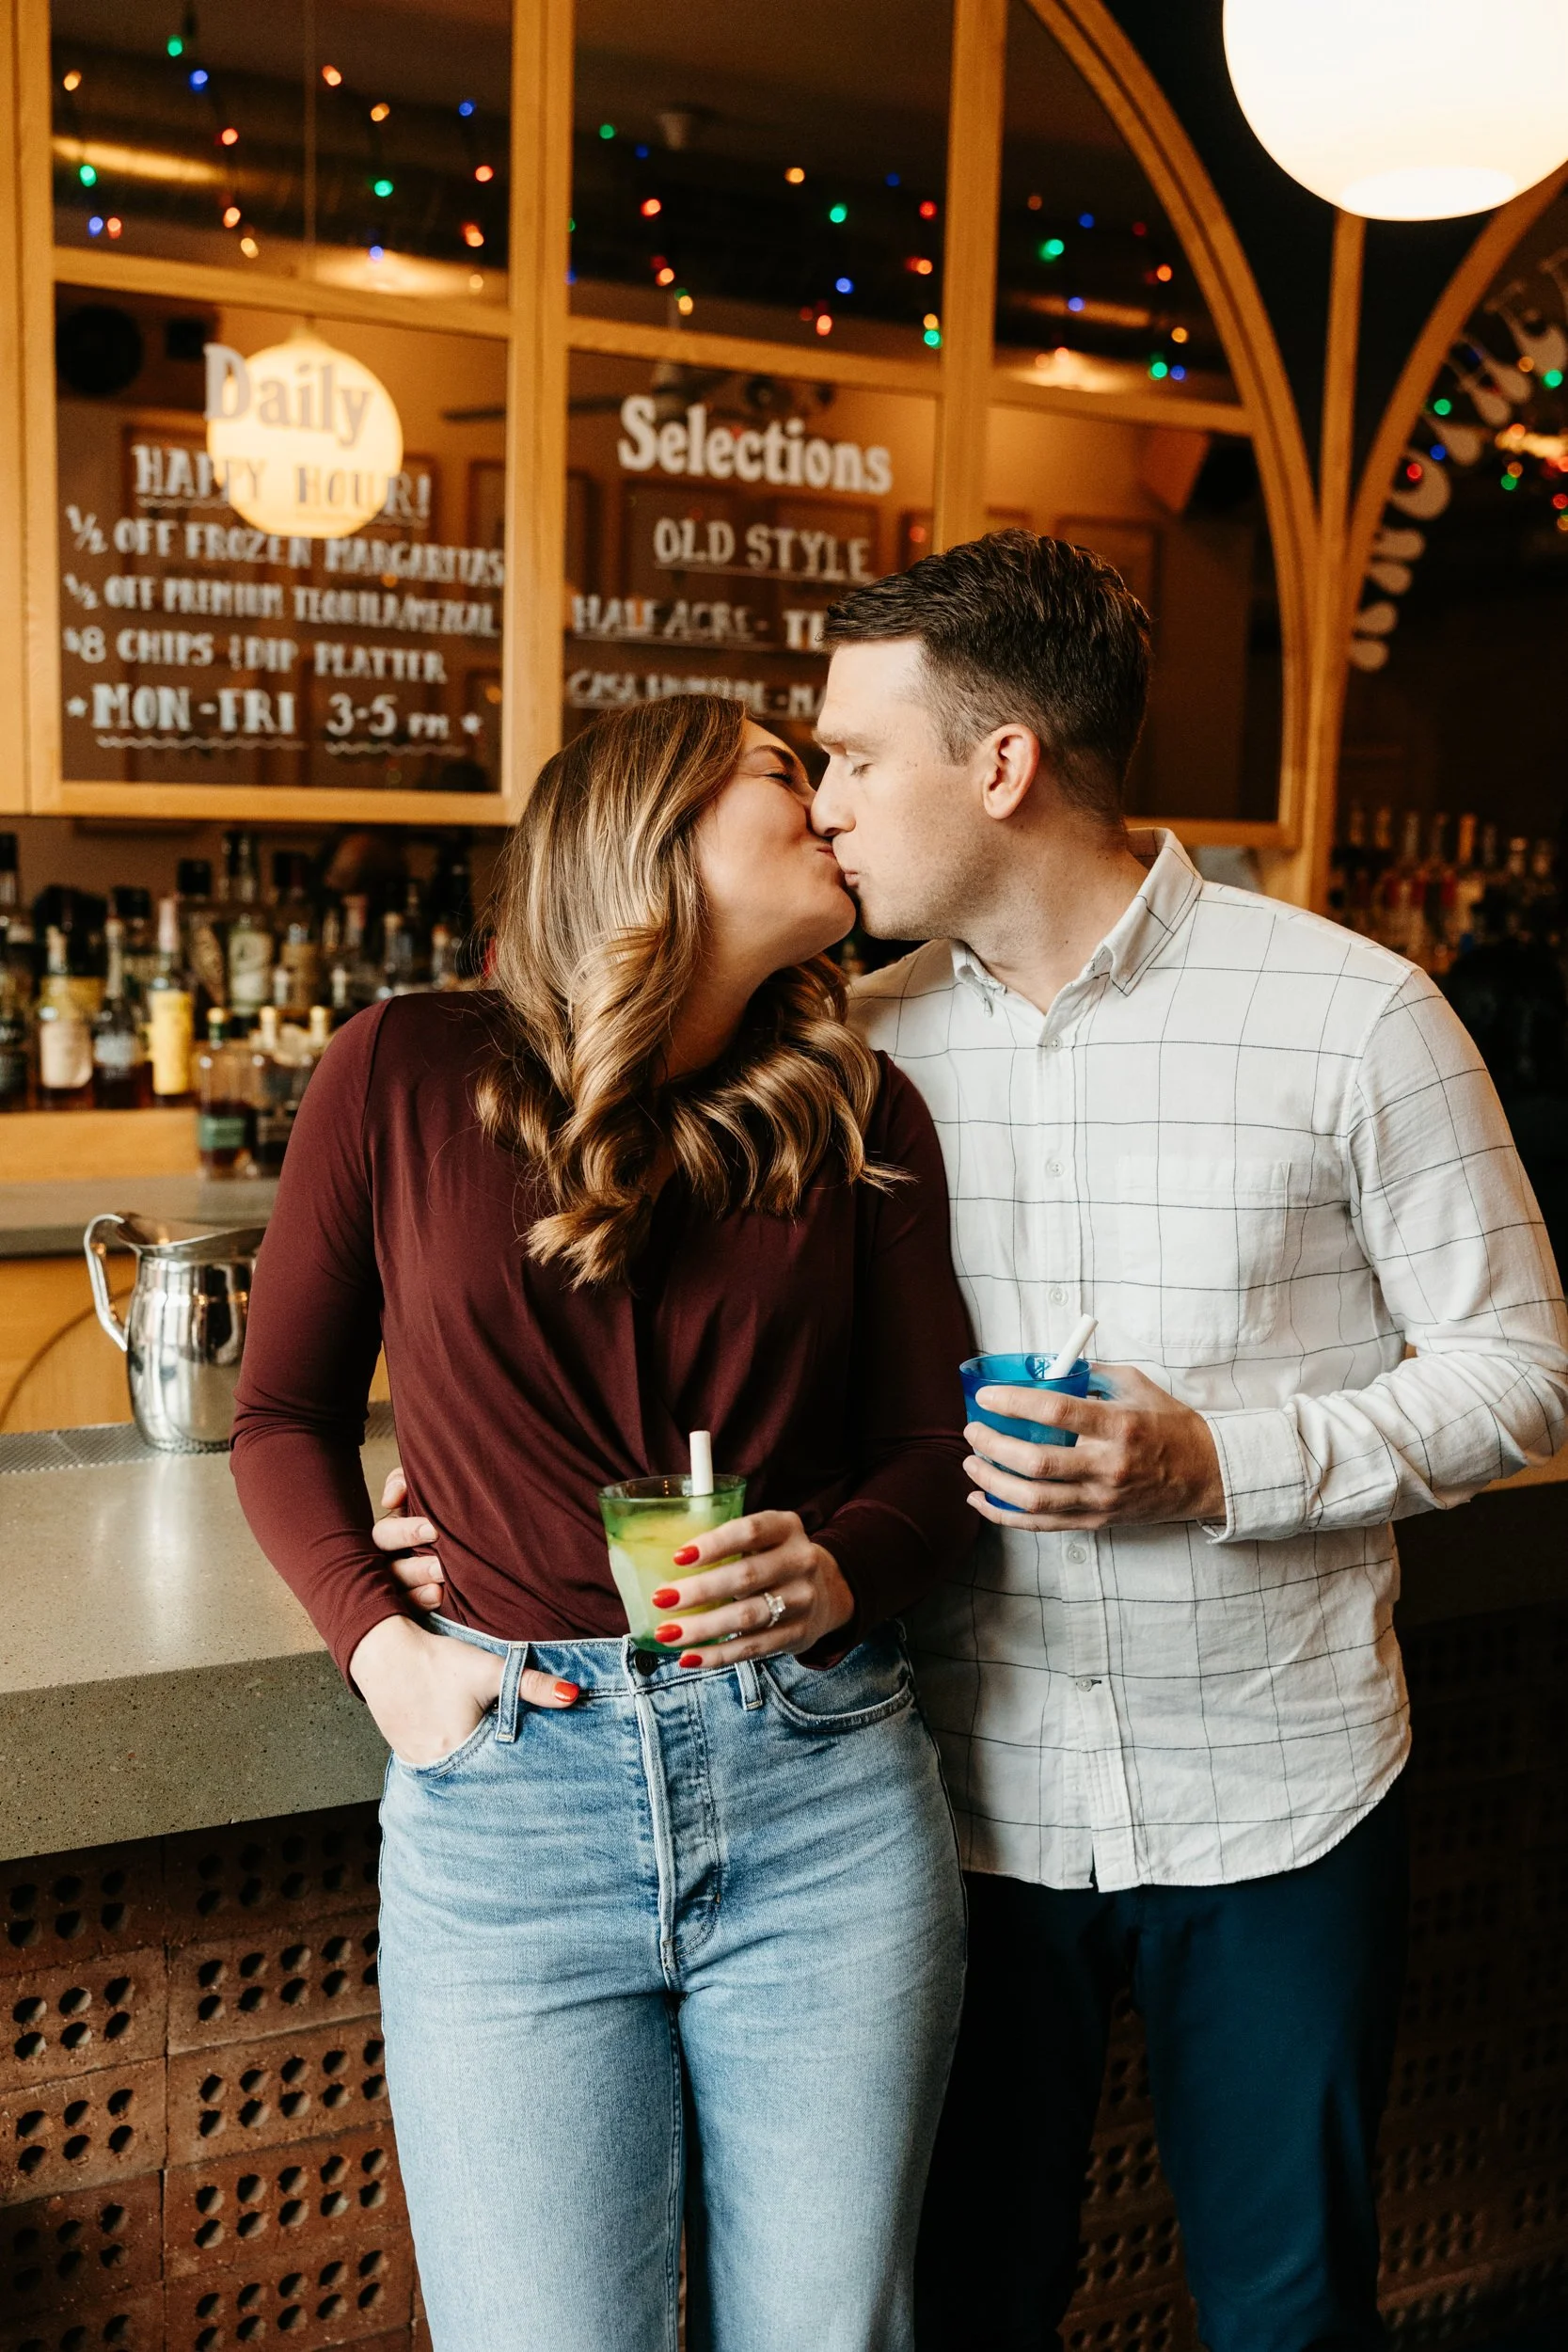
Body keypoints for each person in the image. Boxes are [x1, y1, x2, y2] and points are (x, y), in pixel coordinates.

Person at [803, 530, 1568, 2352]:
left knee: (1286, 2312)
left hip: (1280, 1800)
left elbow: (1522, 1366)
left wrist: (1215, 1465)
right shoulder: (855, 1051)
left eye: (847, 754)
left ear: (999, 765)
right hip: (961, 1806)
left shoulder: (1355, 1013)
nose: (821, 803)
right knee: (970, 2302)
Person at [230, 696, 975, 2352]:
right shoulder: (400, 1070)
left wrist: (844, 1559)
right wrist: (379, 1648)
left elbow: (934, 1451)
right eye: (790, 775)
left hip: (821, 1789)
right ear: (657, 826)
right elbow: (278, 1420)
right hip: (510, 1810)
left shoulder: (860, 1113)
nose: (833, 807)